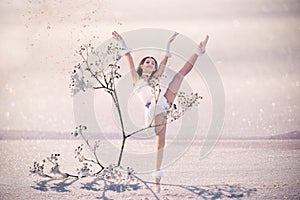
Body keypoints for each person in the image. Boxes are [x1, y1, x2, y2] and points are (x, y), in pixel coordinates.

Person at [112, 30, 209, 192]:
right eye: (147, 62)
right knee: (160, 139)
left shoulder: (157, 78)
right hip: (151, 111)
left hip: (163, 104)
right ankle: (156, 174)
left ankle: (198, 52)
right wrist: (122, 42)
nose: (150, 63)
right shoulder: (137, 79)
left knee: (179, 76)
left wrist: (168, 44)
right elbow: (128, 57)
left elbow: (165, 60)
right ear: (141, 66)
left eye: (153, 62)